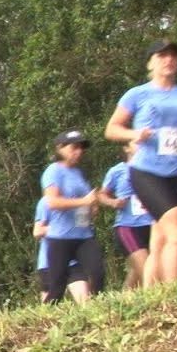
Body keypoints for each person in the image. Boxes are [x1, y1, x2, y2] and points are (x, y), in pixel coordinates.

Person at [106, 41, 177, 285]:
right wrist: (134, 135)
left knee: (161, 237)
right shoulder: (137, 94)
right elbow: (111, 129)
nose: (169, 60)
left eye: (173, 56)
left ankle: (153, 292)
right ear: (150, 63)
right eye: (162, 56)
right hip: (146, 171)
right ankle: (174, 291)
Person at [38, 130, 104, 303]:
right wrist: (83, 201)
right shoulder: (53, 171)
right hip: (60, 238)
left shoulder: (79, 174)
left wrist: (92, 208)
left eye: (81, 148)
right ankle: (45, 321)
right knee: (57, 288)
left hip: (83, 236)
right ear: (60, 148)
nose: (79, 151)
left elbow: (88, 202)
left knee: (97, 273)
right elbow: (52, 202)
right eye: (74, 147)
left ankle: (101, 313)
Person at [99, 141, 152, 289]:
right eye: (136, 143)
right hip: (129, 226)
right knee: (147, 269)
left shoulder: (153, 168)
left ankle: (123, 302)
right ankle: (159, 303)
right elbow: (102, 195)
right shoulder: (117, 171)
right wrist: (113, 202)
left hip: (153, 225)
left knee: (136, 272)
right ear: (126, 148)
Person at [33, 197, 90, 304]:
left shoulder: (80, 199)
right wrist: (59, 228)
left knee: (86, 303)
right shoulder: (46, 202)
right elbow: (37, 231)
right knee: (49, 311)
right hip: (49, 264)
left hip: (73, 262)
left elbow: (83, 227)